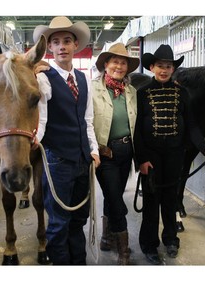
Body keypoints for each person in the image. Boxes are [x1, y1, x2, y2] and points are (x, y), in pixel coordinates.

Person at [133, 44, 205, 265]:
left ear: (173, 69)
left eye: (168, 66)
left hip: (174, 155)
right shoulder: (142, 94)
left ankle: (171, 239)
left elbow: (191, 125)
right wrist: (141, 159)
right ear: (152, 67)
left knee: (171, 200)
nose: (164, 70)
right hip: (151, 156)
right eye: (160, 66)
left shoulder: (182, 93)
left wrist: (204, 148)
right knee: (152, 202)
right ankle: (149, 244)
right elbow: (136, 130)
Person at [32, 16, 100, 265]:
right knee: (59, 222)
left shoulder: (83, 79)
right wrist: (36, 142)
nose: (62, 46)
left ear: (75, 46)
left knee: (79, 219)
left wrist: (94, 150)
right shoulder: (43, 78)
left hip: (83, 160)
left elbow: (87, 119)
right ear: (49, 48)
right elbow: (41, 119)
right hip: (58, 161)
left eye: (67, 41)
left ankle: (78, 263)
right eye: (56, 42)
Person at [92, 43, 140, 265]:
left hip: (126, 152)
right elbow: (86, 122)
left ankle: (106, 238)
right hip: (106, 153)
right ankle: (124, 252)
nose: (119, 66)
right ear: (106, 64)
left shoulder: (131, 92)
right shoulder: (94, 89)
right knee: (116, 200)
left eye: (123, 63)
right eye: (115, 62)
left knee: (114, 197)